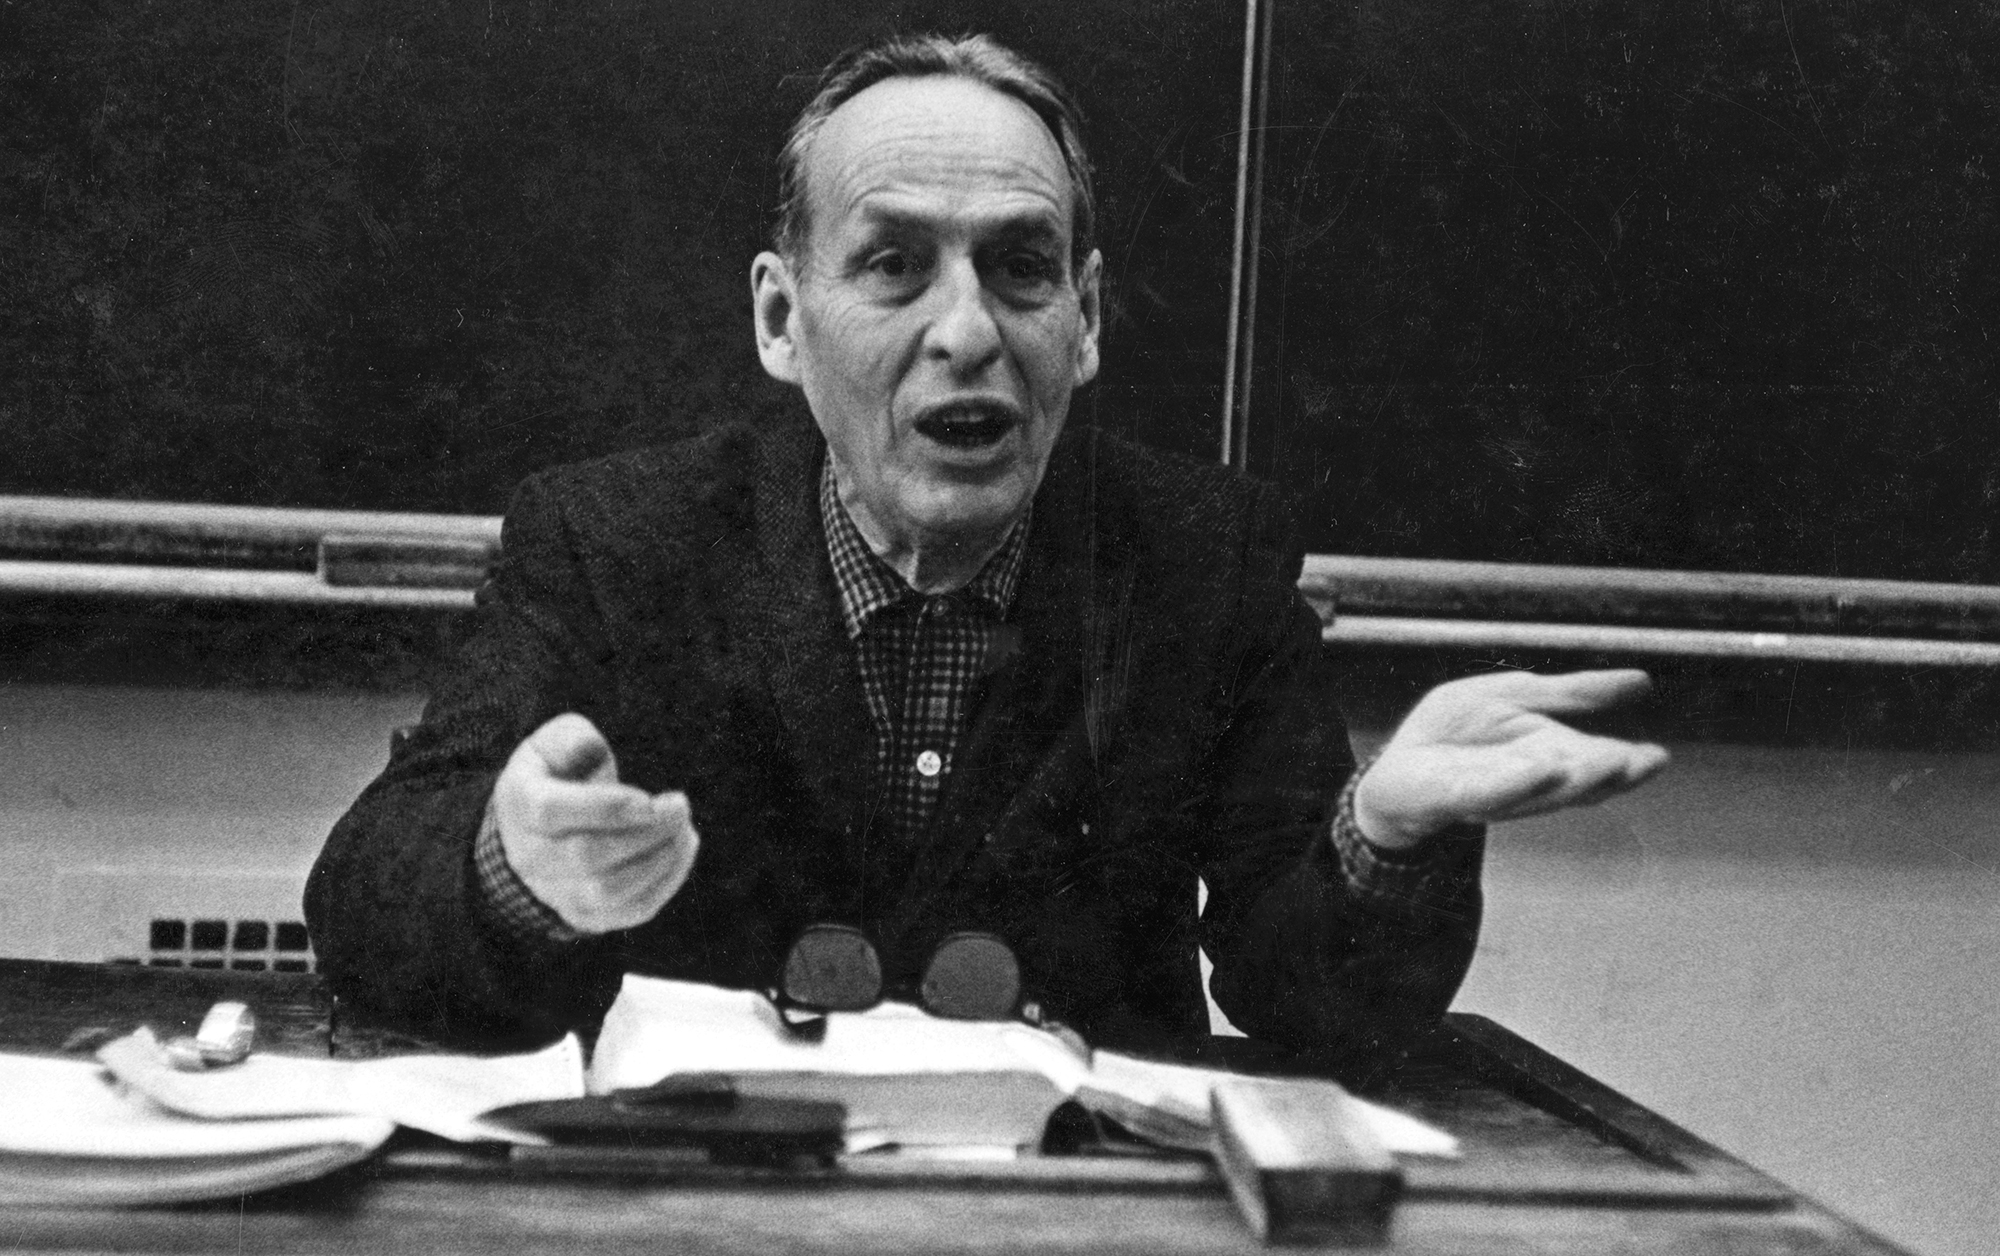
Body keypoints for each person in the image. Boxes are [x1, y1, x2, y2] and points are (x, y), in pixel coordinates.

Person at [305, 34, 1666, 1060]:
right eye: (893, 265)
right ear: (784, 321)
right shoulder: (612, 543)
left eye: (1020, 269)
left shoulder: (1205, 562)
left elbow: (1305, 997)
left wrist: (1383, 834)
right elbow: (368, 903)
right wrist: (513, 870)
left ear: (1083, 318)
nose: (966, 332)